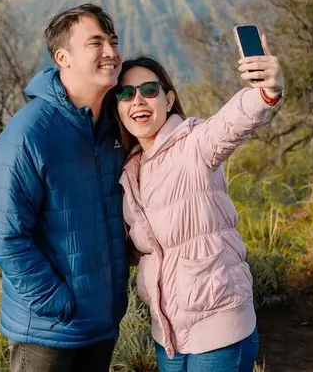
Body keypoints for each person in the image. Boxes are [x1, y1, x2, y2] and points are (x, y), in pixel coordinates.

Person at [114, 38, 284, 372]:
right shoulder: (129, 171)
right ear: (117, 107)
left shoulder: (193, 144)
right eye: (126, 93)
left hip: (218, 326)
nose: (138, 100)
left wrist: (266, 93)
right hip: (169, 334)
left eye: (149, 89)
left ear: (169, 98)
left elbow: (229, 125)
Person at [0, 4, 129, 372]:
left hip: (102, 322)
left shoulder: (115, 125)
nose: (111, 53)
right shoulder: (27, 136)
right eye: (95, 43)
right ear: (62, 57)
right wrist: (57, 303)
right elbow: (7, 239)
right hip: (49, 330)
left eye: (113, 42)